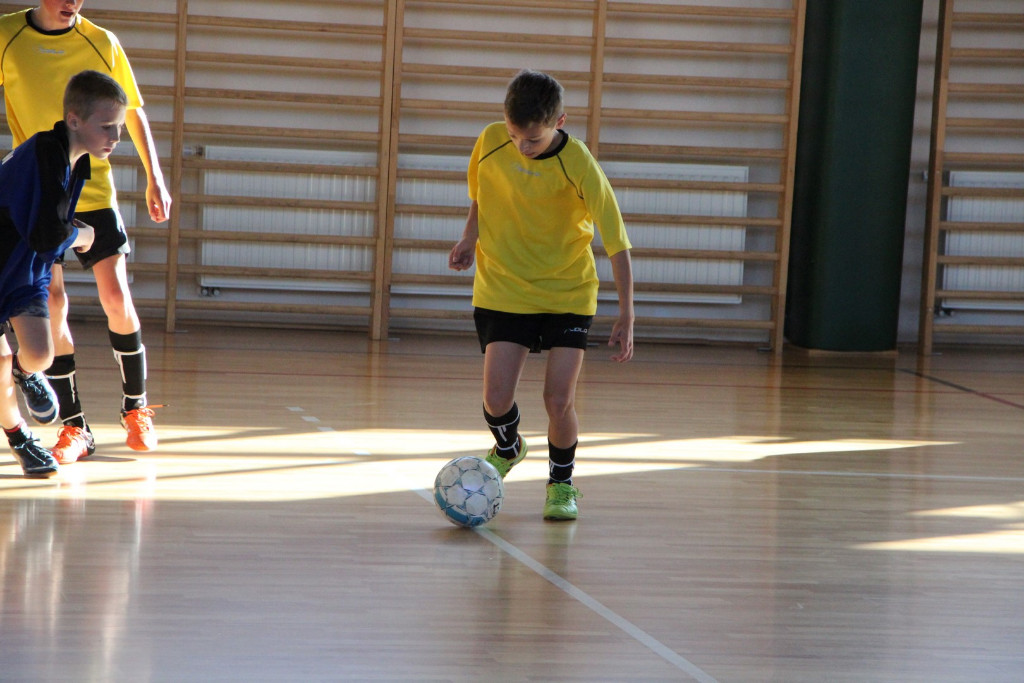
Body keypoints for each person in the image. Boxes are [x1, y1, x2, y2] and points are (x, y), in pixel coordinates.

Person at [449, 69, 635, 521]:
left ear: (560, 122)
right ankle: (509, 448)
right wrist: (469, 237)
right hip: (503, 288)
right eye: (514, 135)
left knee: (558, 400)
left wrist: (627, 313)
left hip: (567, 293)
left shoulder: (579, 164)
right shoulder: (490, 140)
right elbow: (481, 194)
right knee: (495, 400)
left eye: (532, 139)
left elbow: (617, 242)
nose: (521, 146)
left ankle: (561, 484)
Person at [0, 1, 172, 464]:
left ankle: (135, 408)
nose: (72, 2)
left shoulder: (101, 41)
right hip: (41, 193)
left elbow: (130, 110)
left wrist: (155, 176)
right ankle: (75, 427)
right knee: (53, 304)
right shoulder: (7, 35)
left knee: (115, 296)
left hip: (90, 189)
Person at [0, 70, 124, 477]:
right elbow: (48, 234)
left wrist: (68, 235)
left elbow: (47, 231)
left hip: (23, 272)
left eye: (119, 127)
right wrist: (81, 235)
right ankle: (20, 439)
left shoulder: (77, 162)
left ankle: (25, 373)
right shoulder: (44, 155)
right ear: (74, 120)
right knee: (1, 364)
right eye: (106, 126)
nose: (116, 136)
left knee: (40, 354)